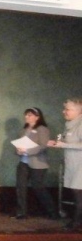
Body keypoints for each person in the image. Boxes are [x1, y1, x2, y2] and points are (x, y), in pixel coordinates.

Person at [14, 107, 58, 220]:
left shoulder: (42, 129)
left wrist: (27, 150)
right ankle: (21, 213)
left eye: (29, 115)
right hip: (23, 162)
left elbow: (43, 146)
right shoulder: (23, 130)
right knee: (20, 187)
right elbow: (19, 144)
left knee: (38, 187)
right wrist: (18, 150)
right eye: (26, 115)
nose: (26, 117)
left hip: (38, 163)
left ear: (37, 117)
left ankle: (53, 211)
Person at [48, 98, 82, 230]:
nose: (64, 111)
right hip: (72, 164)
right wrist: (56, 142)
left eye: (67, 109)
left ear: (78, 111)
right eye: (64, 109)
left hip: (80, 166)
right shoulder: (69, 124)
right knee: (76, 193)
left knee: (78, 194)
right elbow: (67, 141)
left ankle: (76, 222)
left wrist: (64, 144)